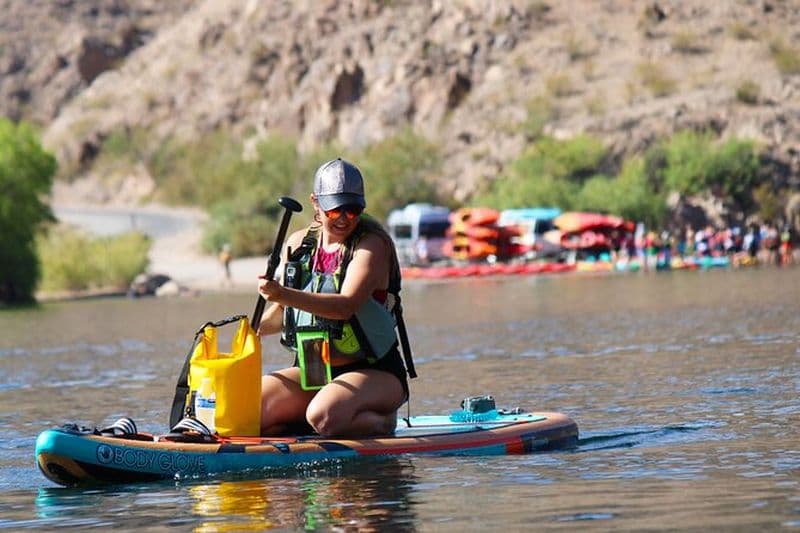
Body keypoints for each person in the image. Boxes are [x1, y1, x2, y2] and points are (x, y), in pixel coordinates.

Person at [256, 158, 415, 438]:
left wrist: (282, 293)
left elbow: (346, 306)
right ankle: (314, 421)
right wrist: (253, 330)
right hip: (315, 370)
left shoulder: (371, 246)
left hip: (375, 372)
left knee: (323, 415)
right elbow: (284, 312)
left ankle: (382, 422)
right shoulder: (298, 243)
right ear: (316, 203)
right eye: (335, 210)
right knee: (253, 408)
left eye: (353, 210)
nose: (344, 218)